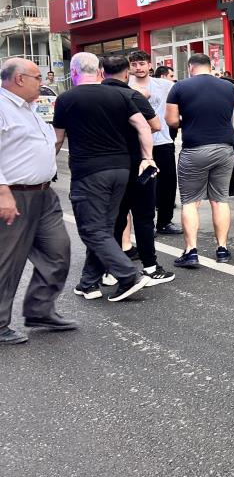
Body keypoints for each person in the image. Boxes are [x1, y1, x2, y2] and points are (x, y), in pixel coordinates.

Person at [53, 52, 153, 302]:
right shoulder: (120, 94)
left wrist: (46, 166)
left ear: (73, 73)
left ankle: (128, 275)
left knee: (91, 229)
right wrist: (148, 158)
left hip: (89, 171)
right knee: (103, 229)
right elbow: (144, 126)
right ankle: (88, 283)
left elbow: (57, 139)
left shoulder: (66, 99)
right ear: (99, 71)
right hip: (121, 169)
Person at [0, 58, 76, 345]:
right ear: (19, 79)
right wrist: (2, 192)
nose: (42, 83)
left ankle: (40, 311)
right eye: (37, 77)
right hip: (14, 194)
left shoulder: (29, 108)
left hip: (44, 194)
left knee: (58, 251)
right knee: (7, 261)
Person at [165, 53, 234, 267]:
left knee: (191, 202)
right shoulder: (229, 88)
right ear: (211, 66)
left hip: (194, 149)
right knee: (220, 200)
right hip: (224, 148)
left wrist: (189, 120)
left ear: (191, 67)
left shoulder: (179, 87)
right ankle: (222, 249)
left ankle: (191, 252)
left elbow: (171, 120)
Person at [102, 55, 174, 285]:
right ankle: (150, 267)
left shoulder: (92, 96)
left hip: (107, 166)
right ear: (127, 72)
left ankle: (110, 269)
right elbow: (155, 125)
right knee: (143, 217)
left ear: (102, 72)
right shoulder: (132, 95)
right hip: (137, 162)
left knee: (115, 217)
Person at [128, 51, 182, 236]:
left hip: (162, 141)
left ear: (150, 65)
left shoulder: (165, 85)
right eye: (134, 64)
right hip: (137, 143)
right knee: (143, 184)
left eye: (142, 63)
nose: (138, 68)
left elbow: (181, 99)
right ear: (129, 67)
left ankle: (165, 222)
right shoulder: (126, 87)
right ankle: (146, 224)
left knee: (167, 182)